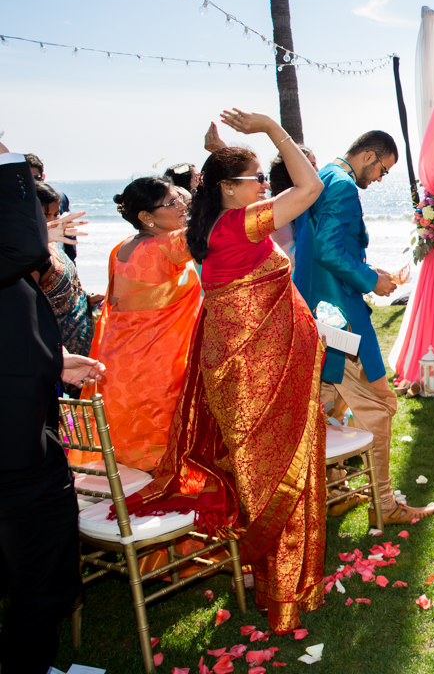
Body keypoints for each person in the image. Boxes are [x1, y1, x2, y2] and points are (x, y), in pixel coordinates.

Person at [125, 109, 326, 633]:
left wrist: (220, 154)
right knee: (277, 469)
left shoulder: (212, 224)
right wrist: (272, 131)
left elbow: (242, 190)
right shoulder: (239, 223)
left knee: (258, 469)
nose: (263, 185)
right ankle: (283, 594)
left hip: (232, 365)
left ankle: (270, 581)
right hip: (260, 370)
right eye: (255, 178)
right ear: (230, 191)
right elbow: (308, 187)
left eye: (262, 176)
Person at [293, 130, 434, 525]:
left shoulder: (323, 174)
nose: (379, 178)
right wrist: (371, 281)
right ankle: (384, 504)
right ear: (369, 154)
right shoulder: (341, 185)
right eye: (383, 169)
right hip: (338, 318)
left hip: (314, 313)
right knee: (378, 405)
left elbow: (328, 248)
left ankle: (335, 491)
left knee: (326, 406)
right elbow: (327, 249)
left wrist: (371, 271)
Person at [0, 139, 104, 674]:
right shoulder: (21, 244)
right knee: (42, 576)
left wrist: (53, 361)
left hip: (23, 413)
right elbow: (23, 250)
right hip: (15, 453)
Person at [80, 177, 199, 471]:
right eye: (172, 203)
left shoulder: (121, 248)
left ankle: (130, 507)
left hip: (119, 366)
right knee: (157, 454)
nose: (182, 205)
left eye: (180, 198)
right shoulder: (166, 246)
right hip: (154, 369)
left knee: (127, 453)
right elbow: (217, 229)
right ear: (146, 217)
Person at [34, 181, 96, 356]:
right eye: (45, 215)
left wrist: (85, 298)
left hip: (78, 345)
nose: (53, 221)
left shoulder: (56, 244)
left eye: (55, 214)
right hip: (54, 351)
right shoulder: (31, 256)